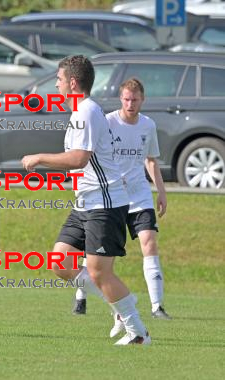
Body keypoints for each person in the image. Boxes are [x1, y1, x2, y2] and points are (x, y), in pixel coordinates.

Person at [21, 55, 151, 345]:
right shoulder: (79, 111)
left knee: (99, 272)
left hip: (104, 204)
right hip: (85, 203)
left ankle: (138, 333)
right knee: (59, 261)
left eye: (59, 79)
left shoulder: (86, 111)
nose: (56, 84)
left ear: (73, 83)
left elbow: (79, 159)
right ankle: (118, 306)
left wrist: (40, 157)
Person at [72, 77, 171, 337]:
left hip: (138, 195)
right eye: (126, 99)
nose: (130, 104)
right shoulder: (106, 121)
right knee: (98, 254)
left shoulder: (148, 125)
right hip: (111, 196)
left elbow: (151, 160)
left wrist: (161, 192)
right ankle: (81, 296)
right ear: (121, 99)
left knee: (149, 242)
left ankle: (157, 305)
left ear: (142, 100)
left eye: (135, 99)